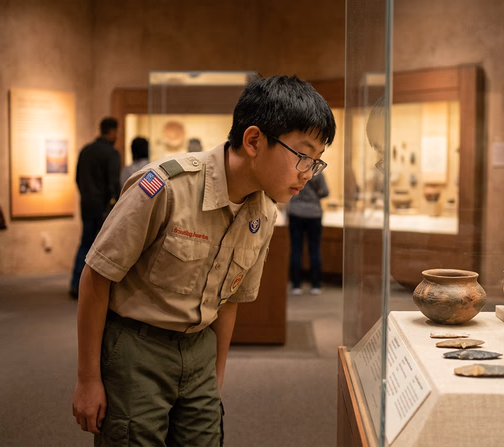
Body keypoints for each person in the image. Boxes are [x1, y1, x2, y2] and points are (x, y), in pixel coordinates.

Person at [71, 75, 335, 445]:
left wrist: (216, 374)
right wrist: (87, 379)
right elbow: (97, 276)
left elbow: (228, 301)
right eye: (303, 156)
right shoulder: (164, 187)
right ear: (254, 140)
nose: (308, 174)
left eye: (317, 162)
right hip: (137, 350)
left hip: (199, 351)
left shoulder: (264, 211)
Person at [69, 117, 121, 299]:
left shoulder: (86, 151)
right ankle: (94, 289)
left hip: (87, 204)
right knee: (101, 249)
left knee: (85, 243)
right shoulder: (111, 153)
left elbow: (77, 178)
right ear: (112, 131)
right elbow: (114, 183)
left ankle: (76, 284)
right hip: (104, 207)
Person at [288, 172, 329, 296]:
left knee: (296, 249)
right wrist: (315, 196)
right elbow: (325, 192)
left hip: (295, 212)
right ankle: (315, 285)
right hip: (314, 213)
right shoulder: (318, 173)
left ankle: (296, 285)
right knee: (315, 249)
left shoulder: (295, 171)